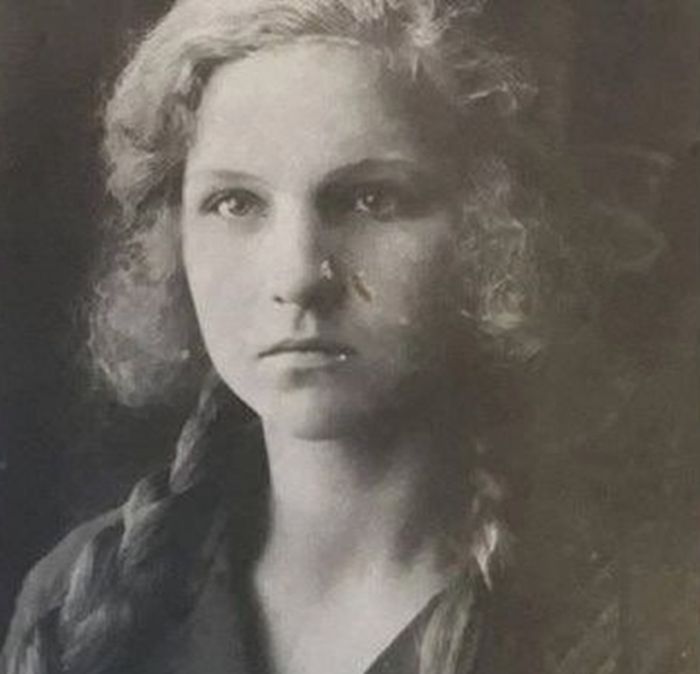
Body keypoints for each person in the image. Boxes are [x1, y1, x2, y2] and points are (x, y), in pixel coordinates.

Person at [1, 1, 601, 673]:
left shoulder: (606, 621)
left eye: (371, 199)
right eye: (235, 203)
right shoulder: (78, 602)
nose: (297, 277)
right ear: (174, 241)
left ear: (486, 231)